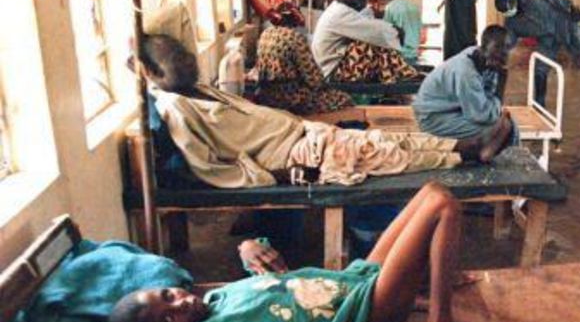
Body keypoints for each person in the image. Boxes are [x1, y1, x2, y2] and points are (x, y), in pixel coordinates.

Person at [108, 182, 503, 322]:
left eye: (168, 295)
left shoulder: (215, 300)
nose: (179, 302)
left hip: (353, 280)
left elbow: (267, 285)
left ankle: (426, 287)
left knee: (430, 191)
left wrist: (249, 247)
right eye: (168, 318)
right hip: (367, 311)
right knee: (442, 204)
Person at [139, 34, 512, 188]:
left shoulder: (197, 88)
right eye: (177, 61)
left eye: (186, 55)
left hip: (305, 133)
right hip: (296, 153)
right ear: (151, 73)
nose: (189, 63)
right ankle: (466, 154)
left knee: (390, 138)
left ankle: (467, 147)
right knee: (382, 153)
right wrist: (280, 176)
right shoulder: (177, 109)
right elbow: (210, 169)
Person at [494, 0, 580, 106]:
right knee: (540, 67)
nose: (513, 9)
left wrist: (570, 6)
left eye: (512, 4)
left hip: (564, 22)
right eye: (508, 10)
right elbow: (509, 41)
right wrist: (499, 54)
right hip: (546, 38)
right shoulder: (511, 23)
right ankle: (539, 102)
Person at [413, 25, 513, 142]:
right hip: (432, 117)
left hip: (452, 110)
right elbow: (482, 116)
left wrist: (496, 111)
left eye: (507, 47)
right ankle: (484, 151)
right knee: (497, 128)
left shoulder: (484, 59)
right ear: (484, 47)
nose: (503, 52)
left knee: (506, 124)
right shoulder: (467, 72)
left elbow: (487, 100)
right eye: (498, 46)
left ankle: (491, 150)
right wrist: (502, 83)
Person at [312, 0, 419, 83]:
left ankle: (397, 75)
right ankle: (399, 75)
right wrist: (396, 31)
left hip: (329, 67)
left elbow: (366, 24)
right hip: (332, 72)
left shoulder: (337, 9)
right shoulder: (340, 13)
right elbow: (374, 30)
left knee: (376, 40)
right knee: (374, 41)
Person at [254, 25, 355, 115]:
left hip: (266, 96)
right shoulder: (294, 38)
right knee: (344, 99)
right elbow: (315, 80)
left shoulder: (266, 34)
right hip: (292, 99)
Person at [377, 0, 423, 65]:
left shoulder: (390, 7)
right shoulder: (413, 6)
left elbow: (385, 32)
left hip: (399, 55)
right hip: (414, 54)